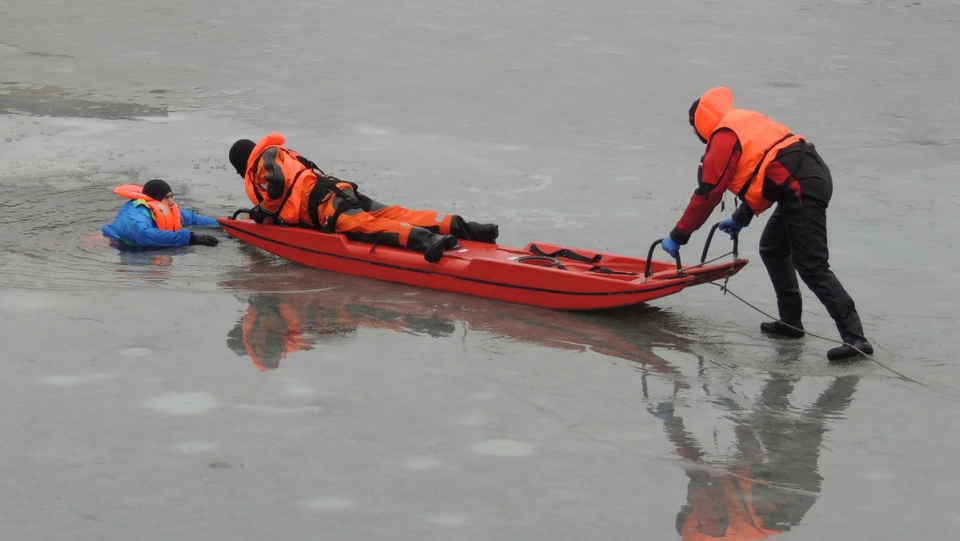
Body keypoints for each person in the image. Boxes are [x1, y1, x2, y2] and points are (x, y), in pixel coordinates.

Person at [659, 87, 872, 361]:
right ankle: (790, 323)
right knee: (772, 248)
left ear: (701, 122)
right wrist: (739, 218)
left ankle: (856, 339)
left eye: (692, 127)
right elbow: (766, 169)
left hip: (800, 186)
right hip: (804, 178)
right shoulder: (742, 122)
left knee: (811, 264)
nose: (694, 134)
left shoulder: (723, 138)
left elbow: (709, 193)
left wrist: (679, 235)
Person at [228, 133, 499, 263]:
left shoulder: (259, 164)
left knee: (372, 226)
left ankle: (429, 240)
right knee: (395, 213)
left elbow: (276, 184)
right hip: (338, 189)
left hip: (326, 207)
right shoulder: (281, 153)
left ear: (242, 164)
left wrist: (264, 209)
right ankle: (472, 229)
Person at [102, 179, 220, 248]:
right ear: (155, 199)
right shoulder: (133, 216)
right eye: (166, 197)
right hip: (119, 246)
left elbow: (193, 219)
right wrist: (190, 238)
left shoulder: (164, 210)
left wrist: (222, 224)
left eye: (171, 196)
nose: (171, 201)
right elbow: (143, 235)